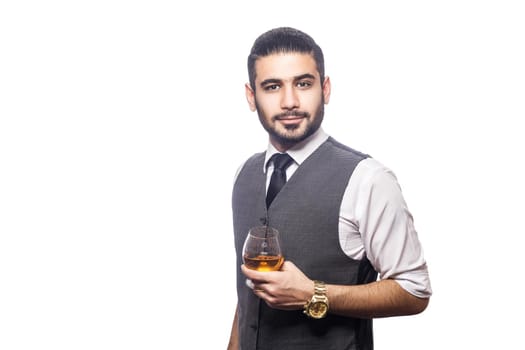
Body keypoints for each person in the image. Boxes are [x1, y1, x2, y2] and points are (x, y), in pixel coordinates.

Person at [228, 27, 432, 350]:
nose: (290, 101)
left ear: (325, 89)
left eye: (303, 83)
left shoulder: (368, 180)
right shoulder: (244, 175)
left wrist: (313, 293)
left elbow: (414, 290)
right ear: (251, 96)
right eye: (272, 86)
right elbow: (248, 297)